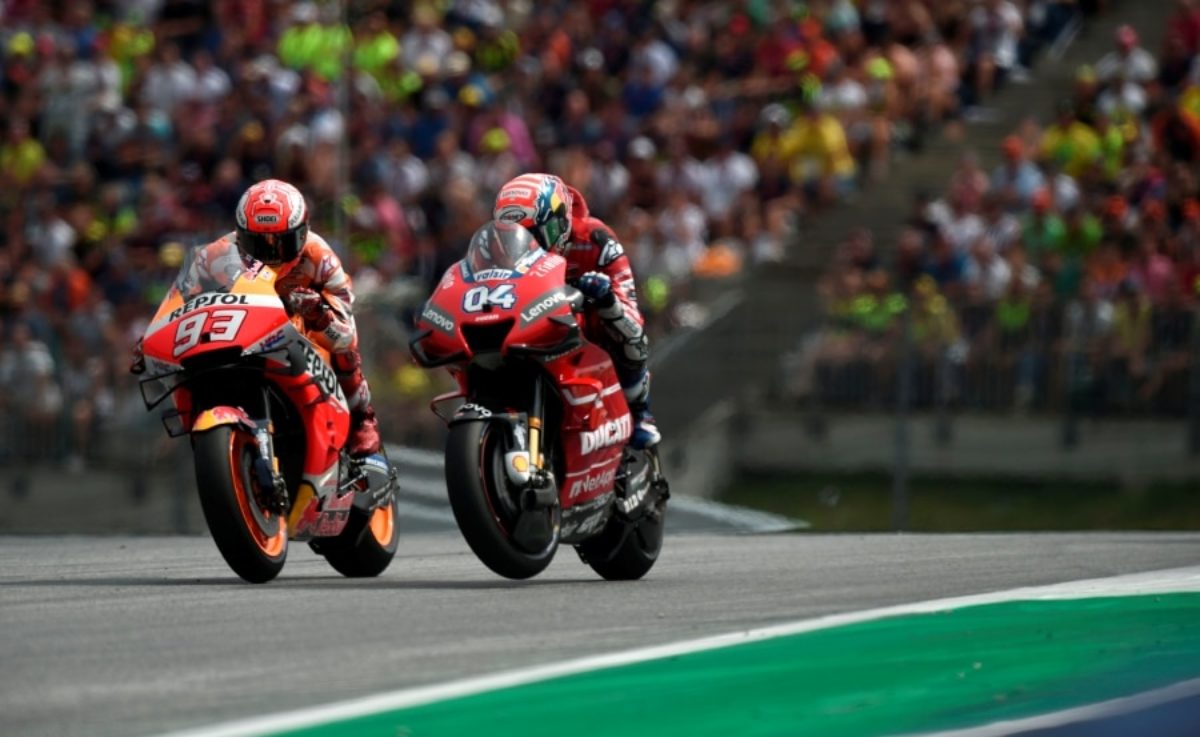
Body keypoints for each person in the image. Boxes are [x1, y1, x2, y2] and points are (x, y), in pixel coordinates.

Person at [131, 179, 381, 457]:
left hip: (303, 332)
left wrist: (319, 315)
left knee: (346, 353)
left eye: (281, 243)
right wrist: (154, 338)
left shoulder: (321, 258)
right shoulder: (212, 256)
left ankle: (363, 418)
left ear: (302, 233)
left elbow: (346, 334)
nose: (270, 254)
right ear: (240, 236)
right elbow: (179, 300)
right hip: (241, 333)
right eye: (257, 244)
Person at [492, 173, 660, 448]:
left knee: (630, 331)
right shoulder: (497, 249)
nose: (522, 243)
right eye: (511, 235)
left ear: (558, 222)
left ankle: (640, 412)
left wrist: (606, 299)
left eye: (532, 233)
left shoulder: (596, 239)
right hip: (526, 324)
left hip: (583, 321)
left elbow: (628, 304)